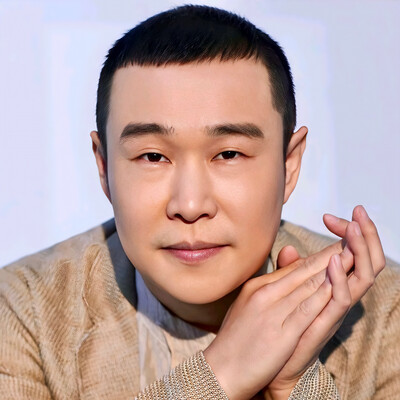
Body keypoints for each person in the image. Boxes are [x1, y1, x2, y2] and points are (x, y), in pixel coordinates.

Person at [0, 4, 399, 399]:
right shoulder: (22, 311)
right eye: (152, 157)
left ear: (289, 165)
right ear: (104, 168)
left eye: (228, 154)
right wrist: (223, 372)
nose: (190, 205)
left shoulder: (386, 316)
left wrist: (297, 386)